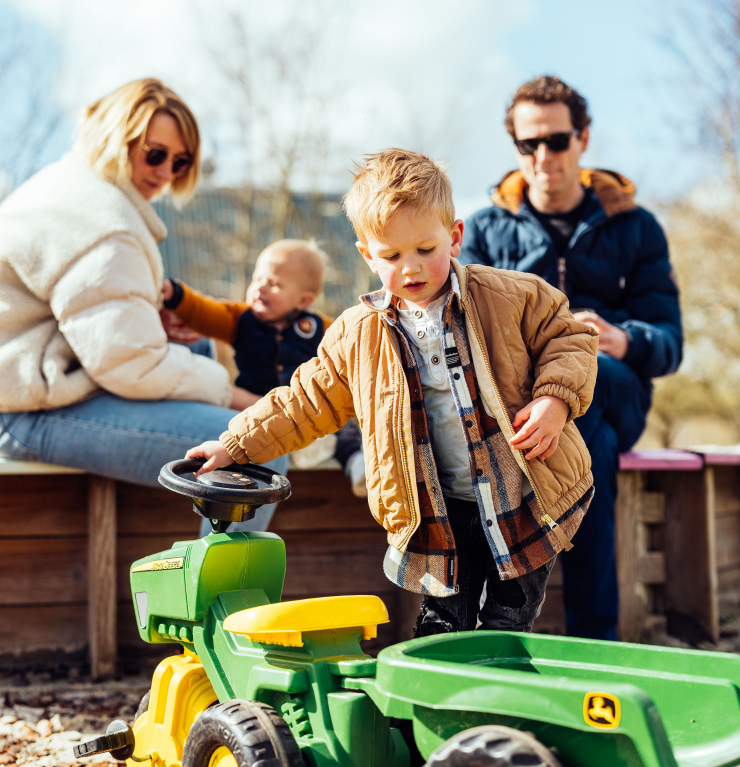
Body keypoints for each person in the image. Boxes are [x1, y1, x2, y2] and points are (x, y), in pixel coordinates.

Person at [186, 149, 598, 637]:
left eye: (425, 249)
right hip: (440, 511)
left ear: (455, 237)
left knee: (508, 620)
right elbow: (303, 401)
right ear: (367, 255)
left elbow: (570, 337)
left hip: (520, 498)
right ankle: (435, 686)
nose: (411, 268)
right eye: (392, 256)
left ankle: (500, 681)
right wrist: (234, 445)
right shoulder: (358, 336)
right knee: (441, 625)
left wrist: (554, 400)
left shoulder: (510, 296)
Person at [0, 77, 287, 524]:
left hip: (32, 388)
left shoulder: (67, 187)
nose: (167, 172)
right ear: (116, 139)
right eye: (154, 154)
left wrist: (148, 322)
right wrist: (241, 398)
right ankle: (221, 574)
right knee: (258, 445)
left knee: (200, 349)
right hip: (24, 413)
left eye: (180, 161)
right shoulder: (103, 223)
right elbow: (129, 364)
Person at [459, 76, 682, 640]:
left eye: (556, 141)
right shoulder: (482, 230)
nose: (543, 156)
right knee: (592, 445)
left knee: (595, 379)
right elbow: (465, 330)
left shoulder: (636, 227)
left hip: (616, 387)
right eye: (528, 143)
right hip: (521, 405)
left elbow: (669, 343)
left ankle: (509, 629)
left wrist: (619, 338)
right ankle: (593, 641)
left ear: (582, 139)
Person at [162, 239, 331, 407]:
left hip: (302, 409)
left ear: (303, 301)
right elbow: (206, 313)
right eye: (257, 279)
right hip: (251, 407)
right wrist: (177, 296)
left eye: (273, 283)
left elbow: (344, 338)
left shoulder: (317, 327)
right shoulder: (242, 317)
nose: (260, 288)